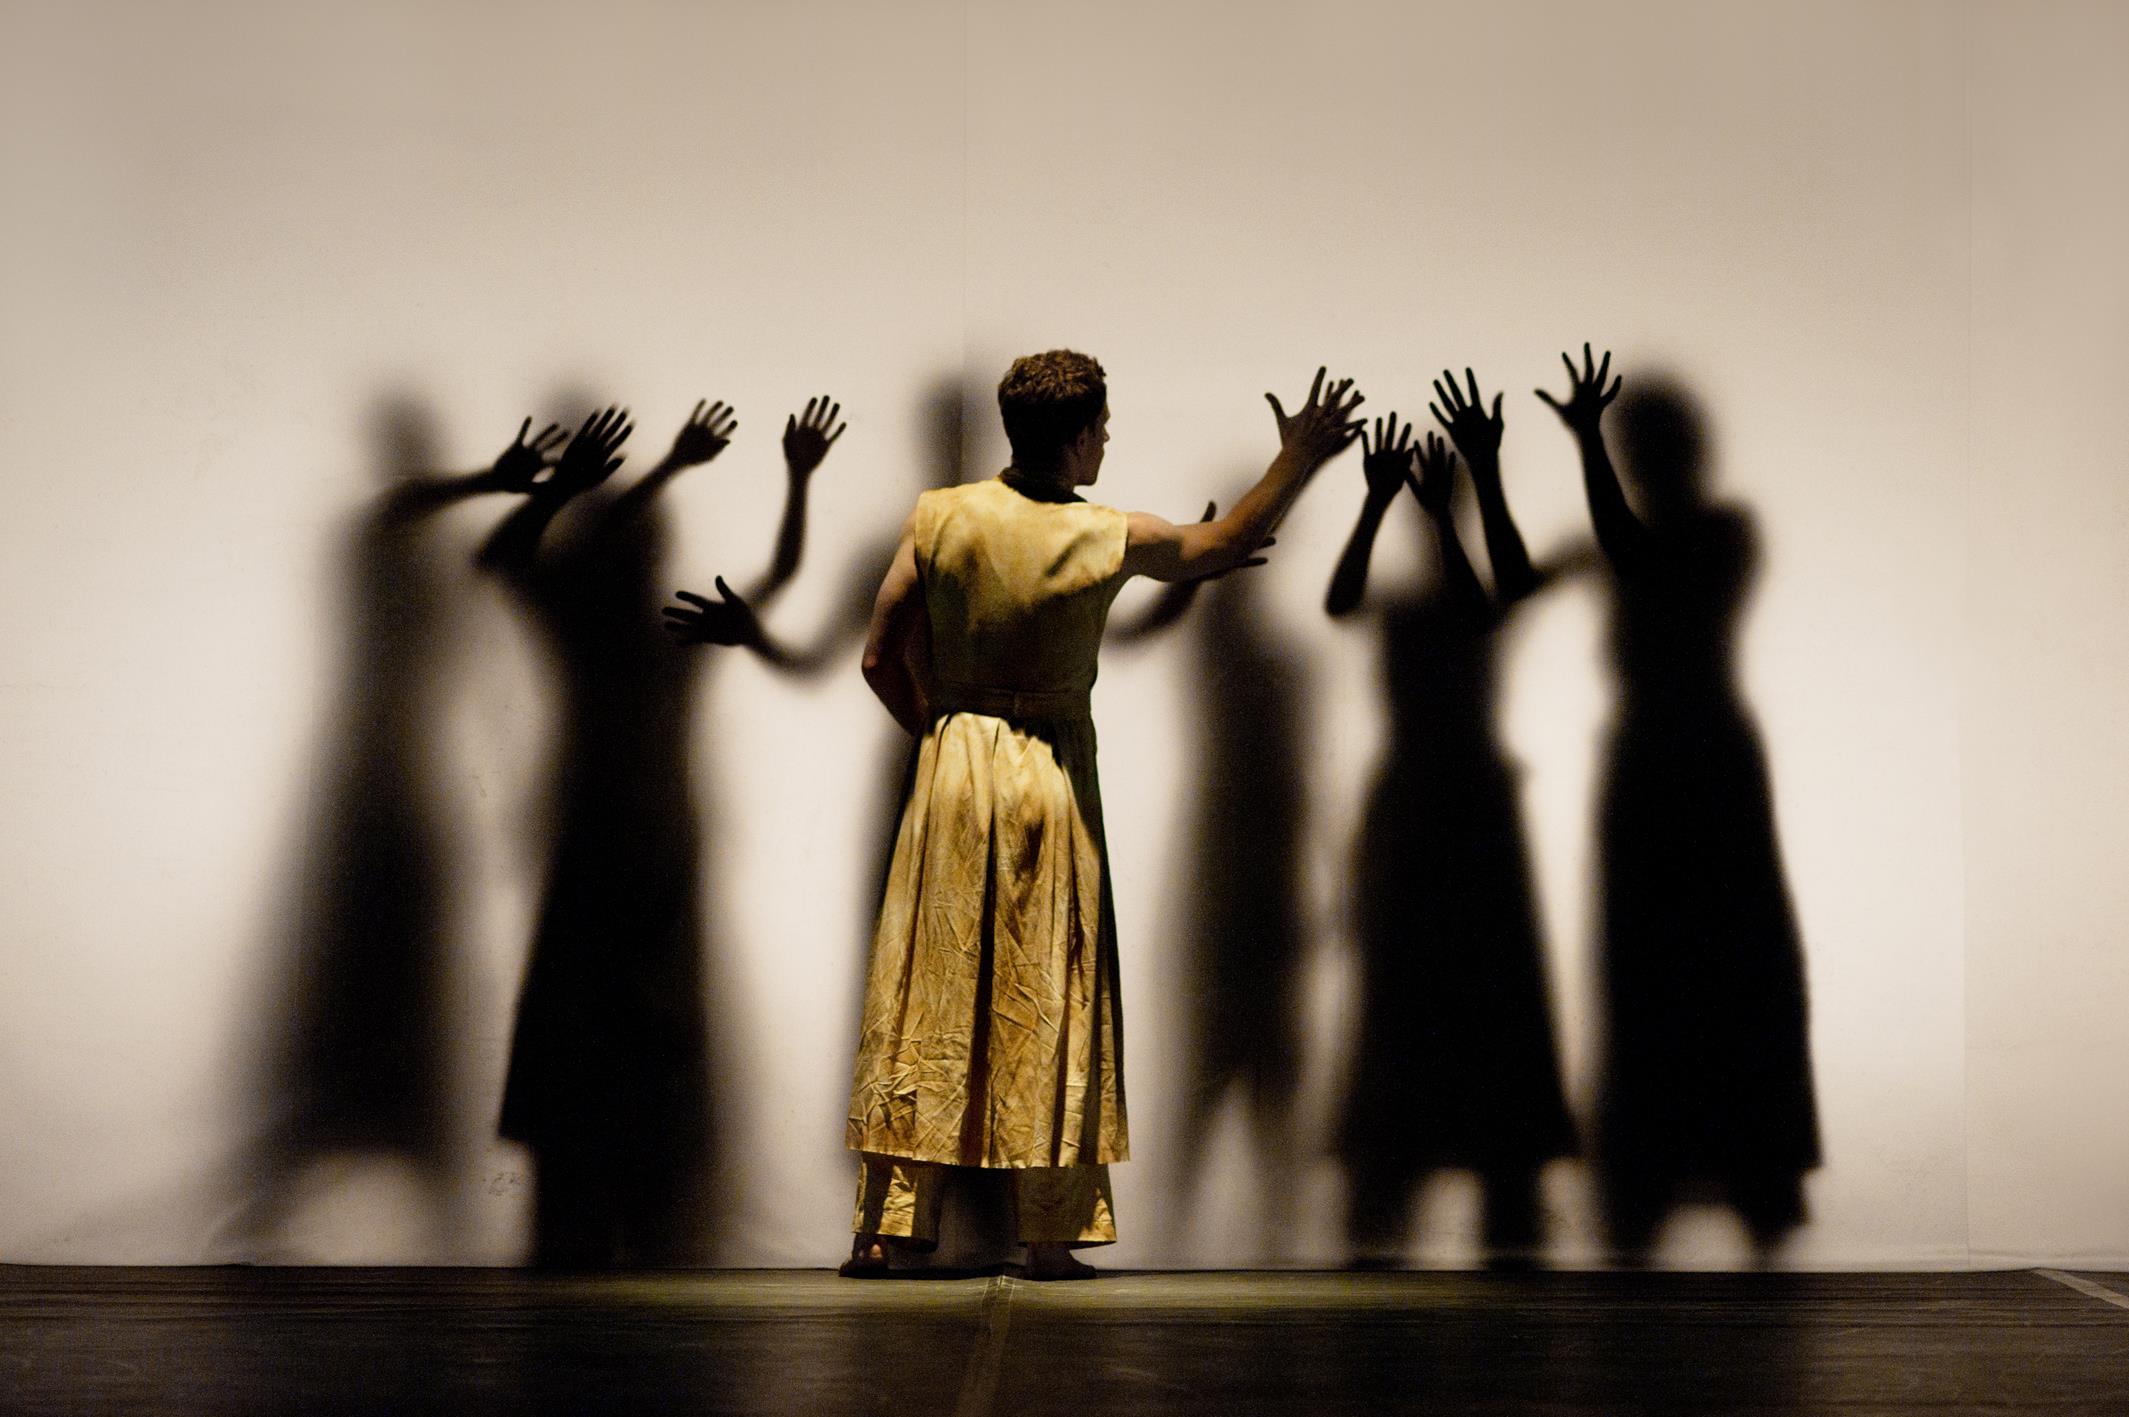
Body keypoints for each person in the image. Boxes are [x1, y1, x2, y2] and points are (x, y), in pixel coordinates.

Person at [835, 352, 1362, 1278]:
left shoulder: (938, 516)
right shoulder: (1105, 533)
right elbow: (1226, 542)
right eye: (1103, 427)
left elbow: (880, 656)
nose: (1107, 439)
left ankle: (890, 1228)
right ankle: (1045, 1233)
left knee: (929, 992)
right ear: (1078, 435)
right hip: (1046, 777)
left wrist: (943, 732)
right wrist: (1299, 458)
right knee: (1053, 992)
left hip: (954, 771)